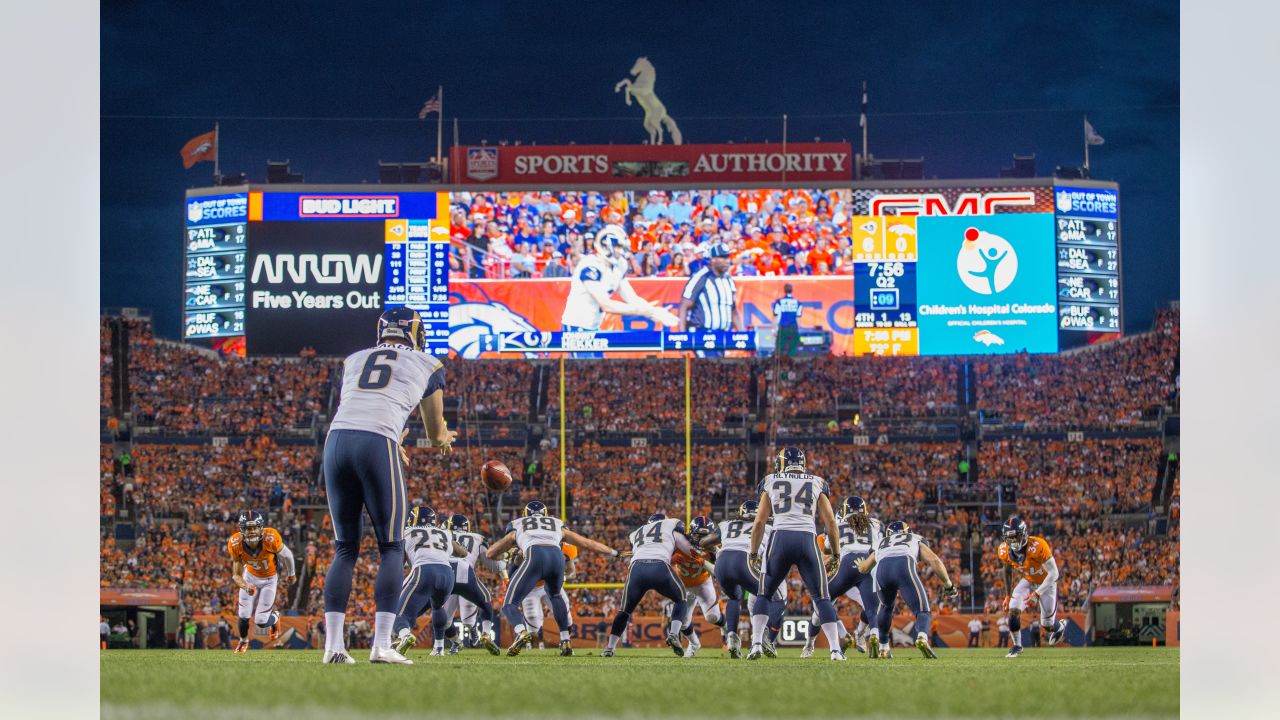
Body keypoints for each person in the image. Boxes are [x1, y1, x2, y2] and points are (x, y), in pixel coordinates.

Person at [320, 306, 457, 665]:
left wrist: (393, 439)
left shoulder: (354, 359)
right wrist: (443, 437)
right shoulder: (428, 364)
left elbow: (358, 407)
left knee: (345, 549)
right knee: (392, 547)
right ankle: (381, 645)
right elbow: (432, 429)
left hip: (335, 443)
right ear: (415, 332)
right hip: (376, 443)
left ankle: (333, 647)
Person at [485, 500, 620, 656]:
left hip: (535, 560)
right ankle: (564, 641)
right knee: (551, 602)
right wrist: (614, 553)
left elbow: (492, 554)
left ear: (526, 515)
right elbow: (587, 543)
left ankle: (521, 632)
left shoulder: (517, 524)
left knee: (509, 604)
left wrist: (505, 554)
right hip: (552, 562)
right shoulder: (557, 523)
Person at [749, 447, 846, 661]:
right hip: (807, 539)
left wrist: (754, 552)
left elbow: (759, 523)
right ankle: (835, 650)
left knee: (764, 594)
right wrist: (837, 554)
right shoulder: (817, 482)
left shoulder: (770, 480)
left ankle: (756, 644)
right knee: (822, 597)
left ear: (782, 463)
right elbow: (831, 522)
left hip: (780, 538)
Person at [559, 224, 678, 358]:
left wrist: (654, 312)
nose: (621, 251)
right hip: (576, 325)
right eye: (618, 247)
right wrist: (642, 311)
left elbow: (631, 298)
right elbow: (606, 304)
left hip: (594, 326)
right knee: (581, 372)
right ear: (606, 246)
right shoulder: (590, 266)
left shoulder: (619, 265)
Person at [857, 520, 958, 660]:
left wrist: (859, 565)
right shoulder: (915, 538)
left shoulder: (881, 542)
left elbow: (864, 568)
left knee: (886, 607)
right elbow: (934, 560)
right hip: (903, 565)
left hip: (882, 570)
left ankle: (883, 647)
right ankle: (922, 637)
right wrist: (948, 585)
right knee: (922, 610)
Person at [697, 499, 781, 659]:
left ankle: (732, 638)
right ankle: (760, 638)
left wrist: (714, 548)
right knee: (767, 595)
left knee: (734, 598)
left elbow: (704, 542)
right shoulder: (767, 527)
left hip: (722, 564)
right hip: (743, 560)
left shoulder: (725, 525)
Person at [801, 496, 883, 657]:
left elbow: (825, 552)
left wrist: (833, 556)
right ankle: (875, 639)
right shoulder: (876, 524)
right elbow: (878, 551)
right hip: (865, 567)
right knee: (874, 607)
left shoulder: (835, 524)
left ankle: (842, 639)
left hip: (843, 570)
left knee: (820, 605)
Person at [602, 513, 692, 657]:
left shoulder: (635, 533)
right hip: (659, 566)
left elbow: (642, 547)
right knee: (681, 598)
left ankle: (610, 648)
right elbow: (683, 538)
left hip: (637, 569)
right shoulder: (670, 524)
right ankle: (674, 634)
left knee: (624, 611)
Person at [391, 506, 467, 659]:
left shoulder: (406, 533)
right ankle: (439, 648)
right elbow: (463, 553)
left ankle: (405, 635)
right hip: (447, 574)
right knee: (437, 607)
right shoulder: (444, 533)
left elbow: (399, 563)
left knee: (397, 613)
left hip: (424, 571)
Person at [996, 515, 1069, 658]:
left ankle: (1059, 626)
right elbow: (1007, 569)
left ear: (1024, 534)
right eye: (1010, 538)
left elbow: (1054, 573)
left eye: (1016, 537)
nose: (1014, 541)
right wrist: (1007, 595)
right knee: (1013, 610)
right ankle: (1017, 646)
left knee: (1047, 625)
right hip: (1028, 581)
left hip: (1046, 583)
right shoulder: (1004, 550)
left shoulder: (1038, 545)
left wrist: (1037, 593)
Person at [226, 510, 295, 654]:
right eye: (247, 528)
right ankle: (243, 641)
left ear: (261, 528)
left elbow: (287, 556)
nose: (251, 532)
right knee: (243, 614)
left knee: (261, 621)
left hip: (270, 579)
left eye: (254, 528)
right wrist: (246, 586)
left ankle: (275, 618)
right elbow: (236, 576)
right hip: (249, 577)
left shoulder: (270, 537)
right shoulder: (235, 543)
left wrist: (291, 574)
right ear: (241, 530)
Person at [435, 513, 503, 655]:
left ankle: (458, 641)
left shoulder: (440, 534)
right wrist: (505, 561)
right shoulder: (478, 538)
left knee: (445, 619)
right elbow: (493, 565)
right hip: (467, 576)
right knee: (482, 605)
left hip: (446, 577)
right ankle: (480, 633)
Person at [670, 516, 726, 657]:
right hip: (683, 585)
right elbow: (660, 558)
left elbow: (720, 572)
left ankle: (725, 628)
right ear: (690, 533)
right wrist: (671, 558)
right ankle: (694, 644)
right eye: (698, 535)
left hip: (703, 584)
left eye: (706, 535)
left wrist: (704, 562)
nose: (701, 539)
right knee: (682, 622)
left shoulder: (714, 550)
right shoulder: (678, 543)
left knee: (712, 617)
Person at [678, 242, 740, 358]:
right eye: (722, 257)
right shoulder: (701, 277)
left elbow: (733, 311)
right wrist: (683, 339)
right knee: (709, 367)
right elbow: (684, 306)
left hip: (721, 335)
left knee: (719, 371)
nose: (727, 261)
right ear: (712, 259)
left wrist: (744, 337)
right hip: (701, 333)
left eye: (728, 257)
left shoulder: (728, 280)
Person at [772, 283, 803, 358]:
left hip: (783, 328)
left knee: (779, 349)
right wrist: (799, 329)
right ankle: (791, 363)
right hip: (793, 327)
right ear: (792, 290)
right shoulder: (797, 302)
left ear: (784, 290)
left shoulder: (779, 302)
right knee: (792, 349)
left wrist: (774, 329)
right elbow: (798, 317)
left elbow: (776, 316)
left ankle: (781, 365)